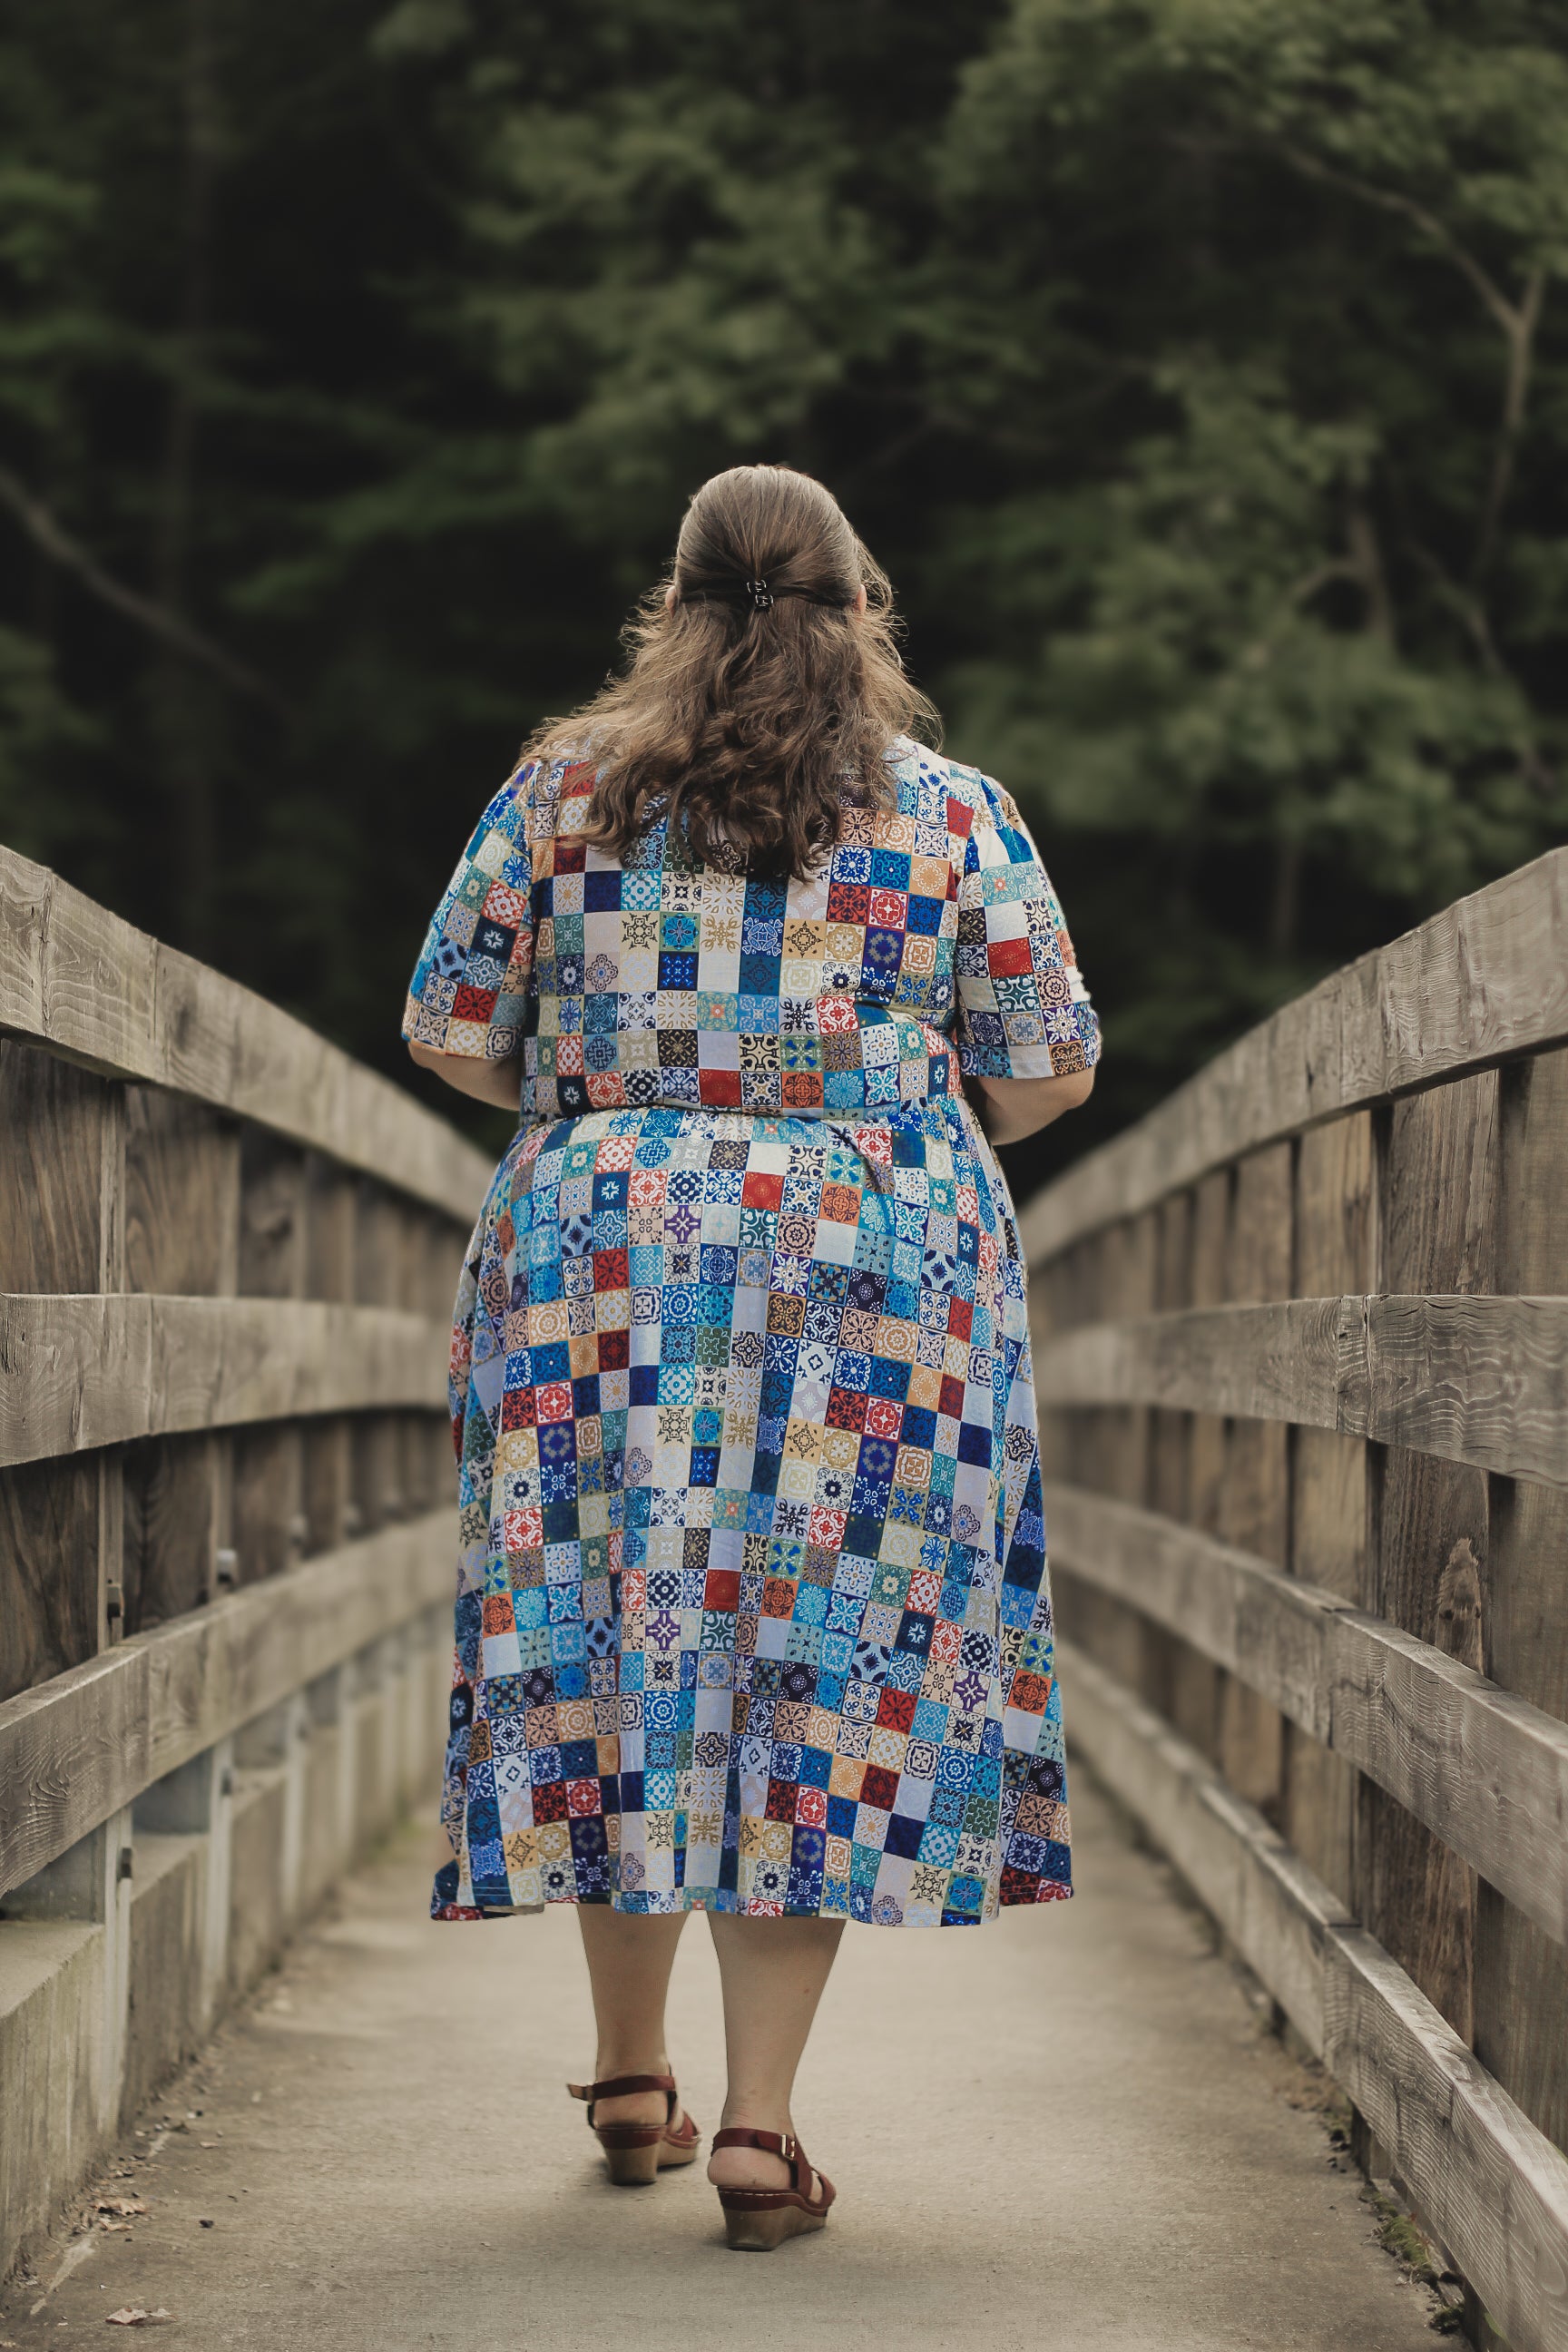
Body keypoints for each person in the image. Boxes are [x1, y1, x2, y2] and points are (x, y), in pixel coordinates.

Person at [403, 464, 1099, 2251]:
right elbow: (1046, 1070)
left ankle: (629, 2074)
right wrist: (875, 1111)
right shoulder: (950, 812)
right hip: (874, 1267)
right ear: (863, 609)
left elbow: (450, 1028)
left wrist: (611, 1101)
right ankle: (763, 2129)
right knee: (815, 1667)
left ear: (676, 604)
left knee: (617, 1638)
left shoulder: (563, 791)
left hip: (606, 1266)